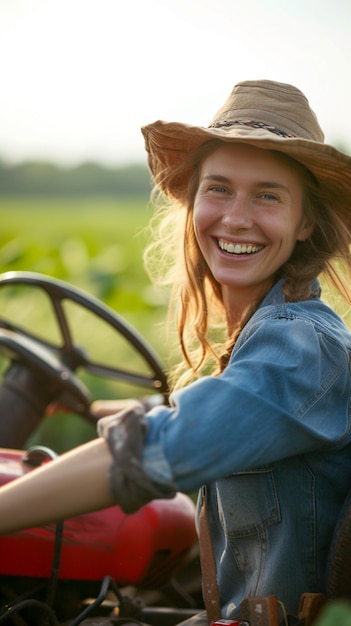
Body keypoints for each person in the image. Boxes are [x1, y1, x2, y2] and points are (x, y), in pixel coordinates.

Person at [1, 79, 351, 625]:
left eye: (267, 195)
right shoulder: (269, 335)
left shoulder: (300, 347)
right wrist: (81, 406)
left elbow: (158, 450)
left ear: (305, 222)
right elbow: (208, 413)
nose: (235, 217)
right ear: (193, 204)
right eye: (218, 189)